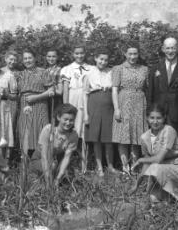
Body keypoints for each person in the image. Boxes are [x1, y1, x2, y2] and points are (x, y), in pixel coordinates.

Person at [130, 104, 178, 203]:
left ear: (164, 118)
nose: (155, 122)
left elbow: (158, 159)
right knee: (153, 199)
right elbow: (147, 163)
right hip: (162, 171)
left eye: (158, 118)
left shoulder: (169, 131)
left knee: (155, 167)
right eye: (152, 118)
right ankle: (170, 197)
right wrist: (136, 185)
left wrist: (140, 160)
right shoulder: (144, 137)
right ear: (147, 118)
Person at [111, 45, 149, 174]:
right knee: (123, 135)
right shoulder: (118, 69)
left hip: (140, 103)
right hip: (124, 101)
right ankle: (125, 167)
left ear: (138, 54)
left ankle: (134, 167)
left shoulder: (144, 69)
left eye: (135, 54)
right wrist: (116, 108)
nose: (132, 57)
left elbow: (148, 88)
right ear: (125, 54)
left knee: (136, 135)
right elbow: (115, 89)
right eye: (130, 54)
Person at [147, 37, 178, 142]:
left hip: (177, 111)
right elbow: (151, 92)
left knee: (175, 141)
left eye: (173, 48)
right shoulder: (155, 67)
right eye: (167, 48)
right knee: (158, 141)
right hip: (158, 112)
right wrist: (149, 112)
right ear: (163, 49)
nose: (170, 51)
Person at [83, 48, 117, 176]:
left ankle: (110, 166)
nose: (103, 62)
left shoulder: (112, 72)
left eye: (106, 60)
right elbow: (85, 94)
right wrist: (86, 114)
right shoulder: (89, 73)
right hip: (94, 105)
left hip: (109, 107)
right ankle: (99, 167)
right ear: (96, 58)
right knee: (96, 138)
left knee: (108, 138)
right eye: (101, 59)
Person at [30, 103, 79, 188]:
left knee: (68, 173)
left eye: (71, 120)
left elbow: (67, 157)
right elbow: (44, 156)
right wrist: (48, 180)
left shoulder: (73, 135)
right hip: (40, 159)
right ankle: (41, 181)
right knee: (51, 166)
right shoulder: (48, 129)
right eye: (65, 119)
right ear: (59, 117)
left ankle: (57, 182)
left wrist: (58, 179)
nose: (68, 123)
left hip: (57, 160)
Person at [17, 50, 54, 158]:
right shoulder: (20, 74)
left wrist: (36, 97)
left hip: (40, 104)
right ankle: (26, 164)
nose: (28, 60)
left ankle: (41, 162)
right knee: (26, 132)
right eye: (25, 58)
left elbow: (51, 90)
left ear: (34, 58)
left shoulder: (43, 72)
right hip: (25, 106)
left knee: (41, 131)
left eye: (30, 58)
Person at [61, 44, 92, 171]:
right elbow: (65, 90)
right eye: (77, 53)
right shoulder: (67, 69)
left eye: (81, 53)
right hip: (72, 98)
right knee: (70, 130)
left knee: (84, 132)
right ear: (73, 54)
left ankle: (84, 166)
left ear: (85, 54)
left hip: (86, 99)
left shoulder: (91, 69)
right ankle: (67, 165)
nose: (79, 56)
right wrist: (66, 107)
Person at [1, 50, 20, 161]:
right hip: (2, 103)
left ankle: (9, 158)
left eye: (14, 60)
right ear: (5, 59)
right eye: (10, 59)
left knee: (11, 129)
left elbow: (20, 90)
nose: (12, 62)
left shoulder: (18, 73)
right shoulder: (0, 71)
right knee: (1, 129)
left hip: (13, 103)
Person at [44, 49, 63, 121]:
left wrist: (53, 90)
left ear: (57, 57)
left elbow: (60, 91)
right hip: (46, 99)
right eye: (49, 56)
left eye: (53, 56)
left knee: (55, 120)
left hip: (55, 99)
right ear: (46, 57)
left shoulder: (60, 70)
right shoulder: (45, 71)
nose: (51, 59)